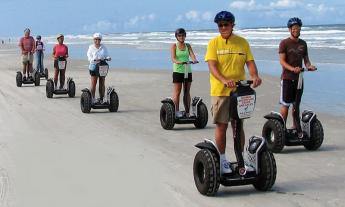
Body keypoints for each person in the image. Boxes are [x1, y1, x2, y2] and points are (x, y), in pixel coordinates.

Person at [205, 11, 262, 174]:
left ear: (232, 25)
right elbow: (212, 66)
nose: (223, 28)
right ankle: (222, 159)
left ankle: (241, 157)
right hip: (221, 91)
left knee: (238, 125)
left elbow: (250, 62)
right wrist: (223, 80)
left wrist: (255, 76)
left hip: (240, 91)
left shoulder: (242, 43)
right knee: (222, 125)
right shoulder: (213, 43)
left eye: (226, 24)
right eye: (220, 25)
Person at [279, 17, 316, 138]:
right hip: (287, 78)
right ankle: (281, 128)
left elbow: (306, 60)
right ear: (290, 29)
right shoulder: (284, 43)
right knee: (286, 104)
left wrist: (310, 66)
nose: (296, 30)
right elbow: (282, 61)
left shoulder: (303, 43)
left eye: (298, 28)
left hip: (299, 78)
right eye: (293, 28)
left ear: (300, 28)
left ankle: (296, 127)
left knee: (296, 104)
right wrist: (292, 68)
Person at [170, 28, 197, 117]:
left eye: (183, 35)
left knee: (187, 92)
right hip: (178, 71)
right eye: (179, 35)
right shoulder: (174, 46)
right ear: (176, 37)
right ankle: (176, 111)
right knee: (177, 92)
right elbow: (173, 58)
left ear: (185, 36)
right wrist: (178, 61)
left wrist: (194, 59)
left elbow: (192, 54)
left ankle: (187, 112)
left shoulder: (188, 45)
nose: (181, 37)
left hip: (187, 71)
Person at [87, 33, 111, 104]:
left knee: (102, 82)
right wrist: (93, 59)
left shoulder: (103, 47)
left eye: (99, 39)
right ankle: (92, 99)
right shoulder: (91, 47)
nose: (97, 40)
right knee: (94, 83)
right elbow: (89, 56)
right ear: (94, 40)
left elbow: (107, 55)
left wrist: (108, 58)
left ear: (100, 40)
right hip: (94, 67)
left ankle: (101, 98)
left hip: (102, 66)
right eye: (96, 39)